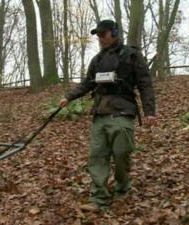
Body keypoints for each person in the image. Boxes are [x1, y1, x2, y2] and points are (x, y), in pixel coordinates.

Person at [59, 20, 156, 212]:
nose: (100, 38)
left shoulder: (132, 55)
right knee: (97, 157)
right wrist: (69, 97)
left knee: (121, 154)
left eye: (103, 34)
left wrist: (150, 111)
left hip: (123, 111)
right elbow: (87, 84)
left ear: (114, 33)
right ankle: (99, 199)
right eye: (98, 35)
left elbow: (145, 83)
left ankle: (122, 188)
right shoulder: (96, 60)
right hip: (100, 113)